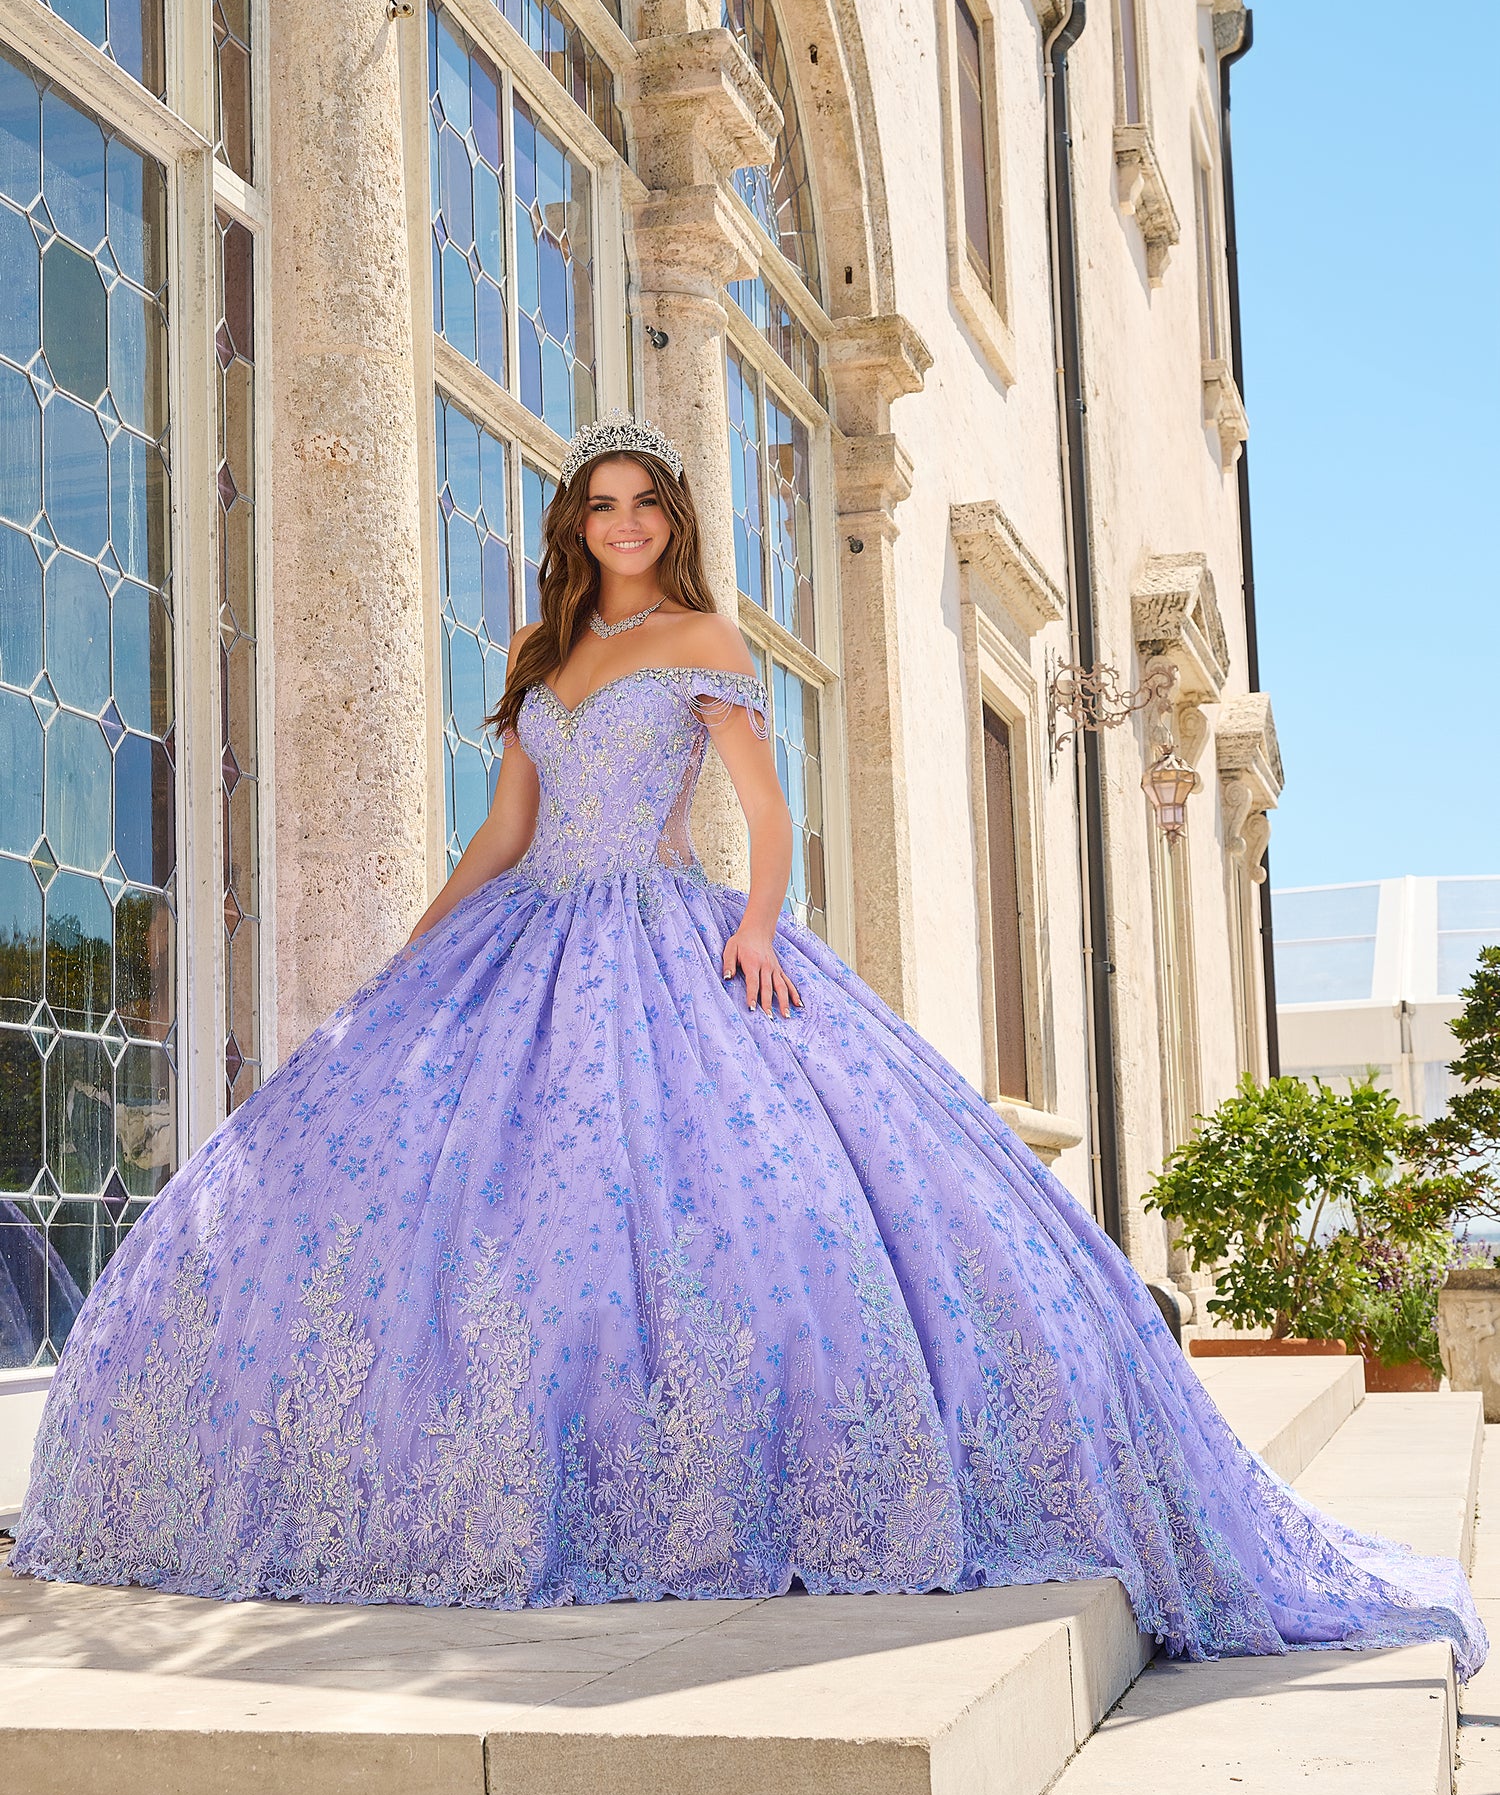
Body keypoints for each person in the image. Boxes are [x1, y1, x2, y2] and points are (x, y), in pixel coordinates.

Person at [11, 416, 1486, 1678]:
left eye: (650, 502)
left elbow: (762, 813)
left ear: (676, 521)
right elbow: (508, 832)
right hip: (527, 934)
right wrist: (417, 948)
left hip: (667, 934)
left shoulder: (704, 643)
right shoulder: (548, 657)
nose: (630, 522)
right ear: (576, 525)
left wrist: (763, 927)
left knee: (715, 1210)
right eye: (606, 502)